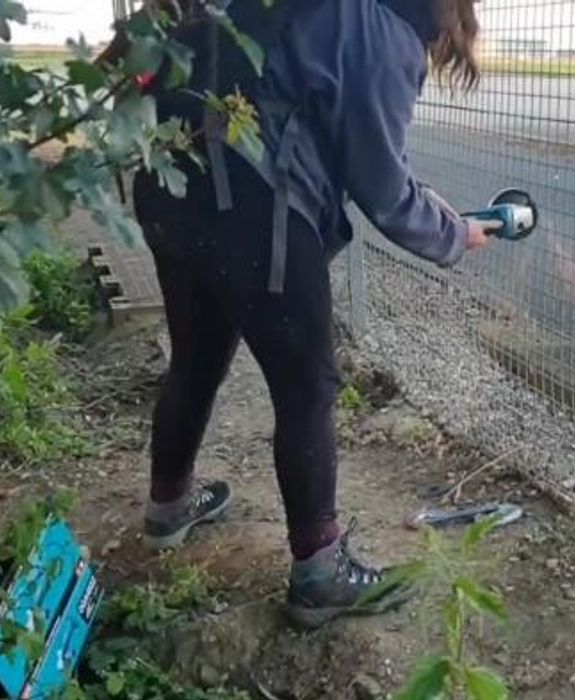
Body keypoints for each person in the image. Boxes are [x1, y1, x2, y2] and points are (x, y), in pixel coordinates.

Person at [128, 0, 496, 629]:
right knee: (308, 390)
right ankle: (320, 576)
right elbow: (382, 186)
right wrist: (455, 234)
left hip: (171, 188)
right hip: (252, 208)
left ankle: (169, 508)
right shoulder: (381, 26)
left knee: (195, 357)